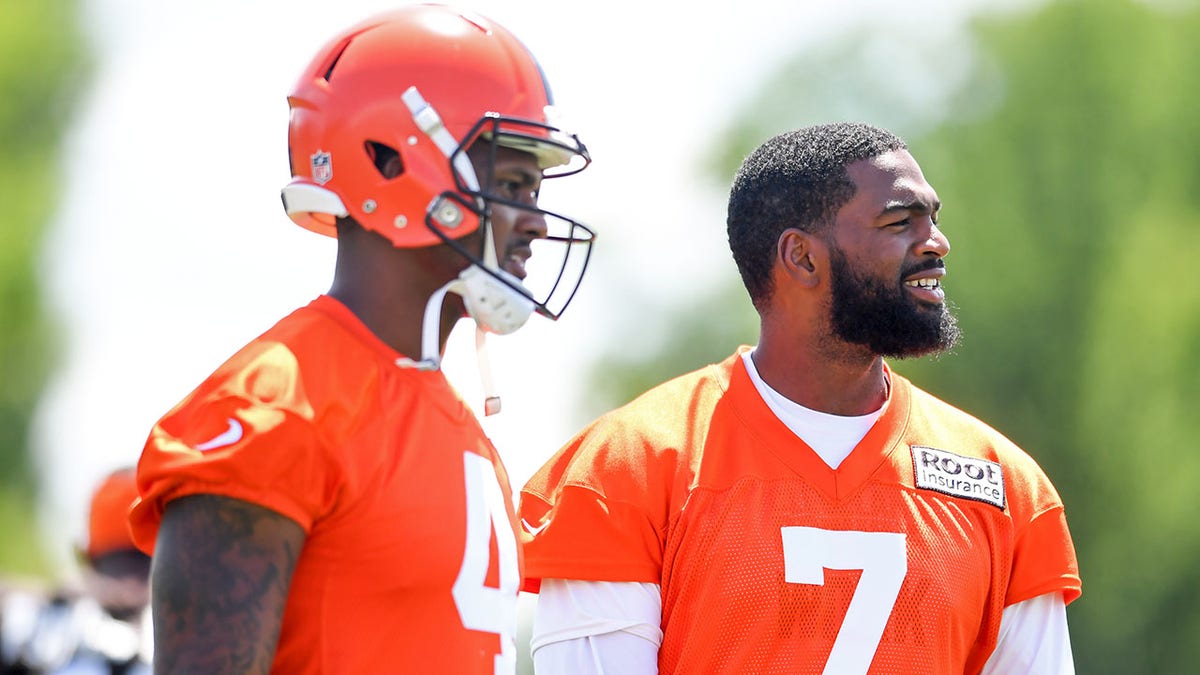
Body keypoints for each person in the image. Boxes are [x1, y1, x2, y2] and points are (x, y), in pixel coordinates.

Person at [127, 5, 595, 674]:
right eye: (514, 183)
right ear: (392, 160)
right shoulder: (277, 409)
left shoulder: (455, 418)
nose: (536, 223)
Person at [518, 122, 1081, 674]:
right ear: (802, 258)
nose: (936, 242)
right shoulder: (627, 468)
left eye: (932, 218)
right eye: (899, 221)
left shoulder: (1005, 485)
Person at [1, 466, 152, 674]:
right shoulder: (46, 623)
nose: (128, 588)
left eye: (141, 565)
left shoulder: (187, 634)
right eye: (119, 567)